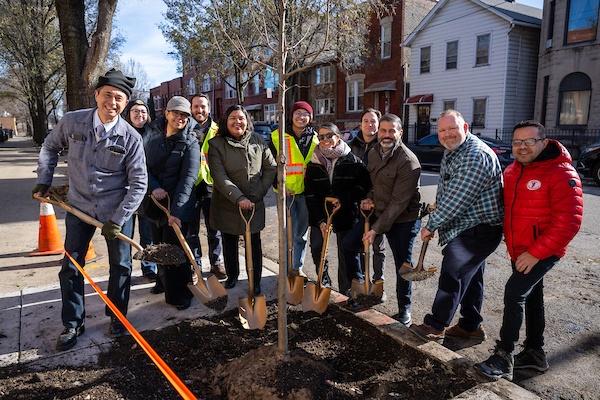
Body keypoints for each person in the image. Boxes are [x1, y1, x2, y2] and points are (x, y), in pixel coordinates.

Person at [32, 69, 146, 350]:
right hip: (79, 207)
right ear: (96, 95)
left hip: (116, 211)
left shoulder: (130, 137)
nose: (113, 102)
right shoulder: (73, 121)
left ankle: (118, 317)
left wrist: (119, 219)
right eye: (107, 94)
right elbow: (49, 147)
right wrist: (43, 180)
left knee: (121, 266)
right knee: (71, 267)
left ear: (125, 103)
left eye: (119, 98)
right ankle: (73, 323)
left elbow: (139, 183)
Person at [474, 121, 583, 381]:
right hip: (520, 248)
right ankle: (535, 353)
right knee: (532, 297)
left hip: (543, 249)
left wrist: (536, 253)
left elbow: (570, 221)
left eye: (529, 141)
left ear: (543, 143)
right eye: (517, 142)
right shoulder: (512, 171)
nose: (522, 147)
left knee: (514, 293)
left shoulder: (560, 173)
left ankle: (504, 355)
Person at [409, 109, 504, 342]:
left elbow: (458, 199)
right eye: (442, 130)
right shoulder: (456, 150)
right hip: (467, 225)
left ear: (465, 128)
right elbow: (452, 189)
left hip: (479, 228)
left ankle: (436, 324)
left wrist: (431, 225)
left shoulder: (474, 155)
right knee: (470, 277)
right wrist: (437, 207)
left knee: (452, 272)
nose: (447, 134)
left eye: (452, 128)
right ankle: (471, 326)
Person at [343, 113, 423, 321]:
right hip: (376, 211)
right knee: (349, 244)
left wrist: (375, 229)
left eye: (391, 131)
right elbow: (371, 183)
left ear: (400, 133)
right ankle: (361, 290)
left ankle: (404, 308)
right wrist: (367, 198)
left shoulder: (409, 162)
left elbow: (398, 204)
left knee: (403, 265)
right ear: (378, 132)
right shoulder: (373, 152)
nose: (386, 135)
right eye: (383, 131)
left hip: (403, 219)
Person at [209, 105, 276, 295]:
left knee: (253, 244)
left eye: (241, 118)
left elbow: (270, 168)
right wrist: (239, 198)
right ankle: (232, 276)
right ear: (225, 121)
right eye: (233, 118)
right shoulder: (216, 144)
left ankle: (255, 281)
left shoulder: (258, 140)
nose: (237, 122)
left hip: (253, 203)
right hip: (227, 204)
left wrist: (259, 192)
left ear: (247, 121)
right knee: (229, 243)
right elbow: (220, 177)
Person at [144, 96, 200, 311]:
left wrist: (176, 212)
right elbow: (141, 165)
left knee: (174, 251)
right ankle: (163, 282)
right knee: (158, 248)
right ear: (166, 113)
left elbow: (188, 179)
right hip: (155, 203)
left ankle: (181, 294)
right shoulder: (150, 134)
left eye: (185, 115)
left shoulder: (190, 142)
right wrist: (154, 187)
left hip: (178, 204)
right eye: (176, 112)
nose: (180, 117)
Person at [304, 122, 370, 293]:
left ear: (337, 137)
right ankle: (323, 279)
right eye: (321, 137)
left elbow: (362, 186)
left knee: (345, 250)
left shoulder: (352, 160)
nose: (325, 139)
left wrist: (343, 199)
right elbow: (310, 194)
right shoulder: (314, 163)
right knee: (317, 245)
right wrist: (319, 221)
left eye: (329, 135)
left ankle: (345, 288)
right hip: (322, 212)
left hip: (347, 212)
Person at [270, 101, 319, 279]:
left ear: (310, 118)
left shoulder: (315, 138)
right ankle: (284, 269)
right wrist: (279, 184)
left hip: (306, 194)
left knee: (301, 235)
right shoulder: (277, 136)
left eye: (305, 113)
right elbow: (269, 165)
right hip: (286, 194)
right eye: (298, 112)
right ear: (291, 116)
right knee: (286, 234)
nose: (301, 117)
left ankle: (296, 267)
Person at [185, 94, 225, 279]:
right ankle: (195, 266)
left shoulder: (218, 130)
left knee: (214, 229)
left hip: (211, 185)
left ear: (209, 109)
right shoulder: (183, 127)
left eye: (203, 107)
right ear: (191, 108)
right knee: (191, 230)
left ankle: (216, 264)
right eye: (196, 106)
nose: (199, 110)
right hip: (190, 185)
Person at [348, 108, 386, 299]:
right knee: (359, 245)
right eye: (366, 121)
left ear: (378, 125)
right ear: (360, 123)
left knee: (378, 247)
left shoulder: (384, 146)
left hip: (378, 203)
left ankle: (379, 284)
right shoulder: (351, 146)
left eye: (373, 121)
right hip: (357, 204)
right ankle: (361, 282)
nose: (369, 124)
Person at [122, 99, 157, 281]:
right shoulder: (121, 133)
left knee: (147, 234)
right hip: (125, 193)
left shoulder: (154, 134)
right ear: (128, 114)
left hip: (148, 192)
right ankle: (124, 270)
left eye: (143, 111)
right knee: (125, 236)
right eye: (135, 111)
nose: (139, 115)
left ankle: (148, 267)